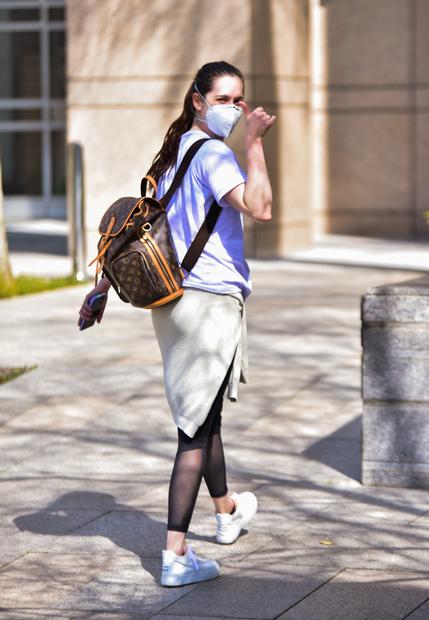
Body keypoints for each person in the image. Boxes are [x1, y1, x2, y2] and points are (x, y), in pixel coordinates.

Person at [78, 60, 276, 587]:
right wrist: (253, 143)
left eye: (240, 99)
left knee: (202, 413)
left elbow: (133, 233)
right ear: (198, 100)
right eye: (225, 99)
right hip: (208, 307)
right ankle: (175, 554)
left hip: (172, 305)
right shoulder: (214, 155)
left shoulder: (172, 157)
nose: (234, 109)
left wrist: (98, 291)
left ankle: (228, 509)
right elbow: (260, 207)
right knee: (192, 432)